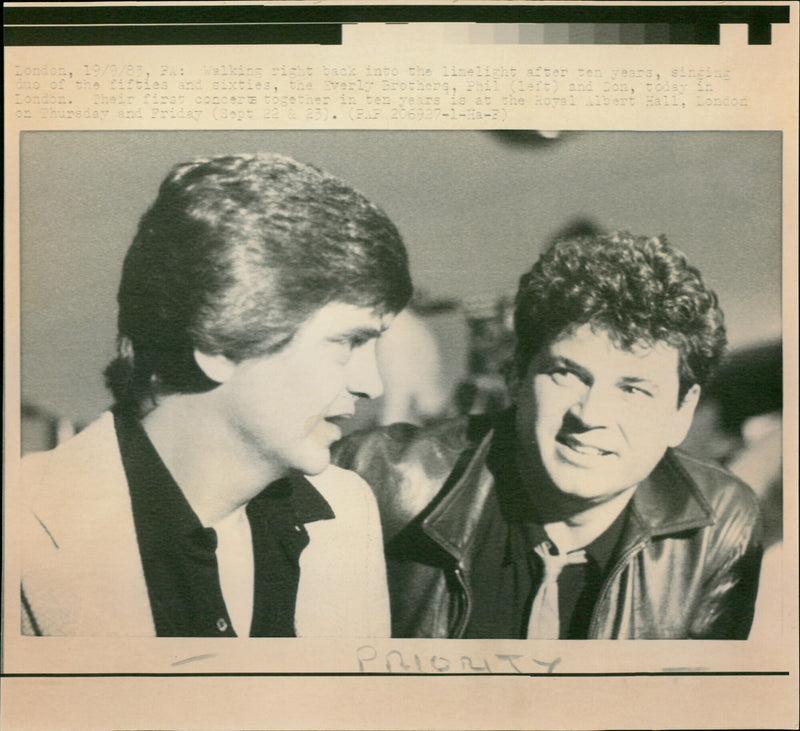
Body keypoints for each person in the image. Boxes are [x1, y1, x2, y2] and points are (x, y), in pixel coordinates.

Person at [21, 153, 412, 637]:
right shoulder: (19, 527)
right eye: (348, 341)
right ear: (218, 341)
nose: (371, 384)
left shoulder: (346, 512)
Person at [334, 232, 762, 639]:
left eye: (633, 389)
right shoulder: (374, 481)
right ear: (516, 377)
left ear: (681, 412)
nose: (591, 415)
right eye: (567, 375)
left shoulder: (719, 524)